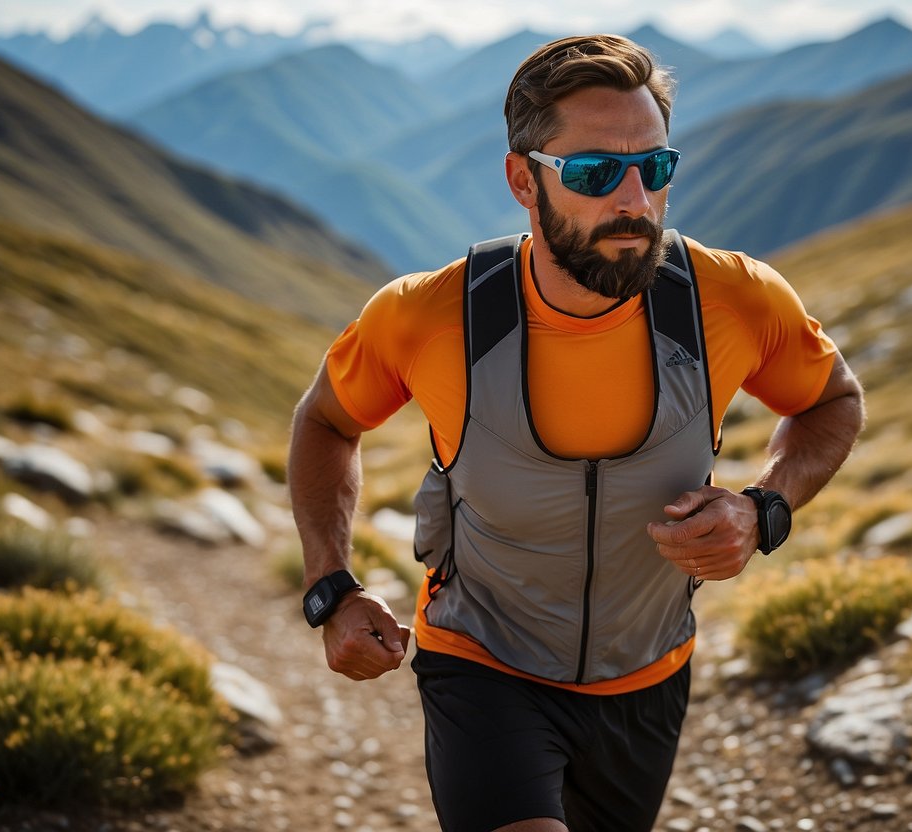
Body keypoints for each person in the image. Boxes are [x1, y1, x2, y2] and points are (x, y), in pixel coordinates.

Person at [288, 33, 865, 832]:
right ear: (523, 180)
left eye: (654, 168)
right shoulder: (429, 315)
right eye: (594, 173)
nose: (633, 199)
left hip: (649, 675)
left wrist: (764, 508)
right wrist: (331, 587)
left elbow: (833, 399)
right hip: (481, 663)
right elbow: (323, 421)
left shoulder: (731, 301)